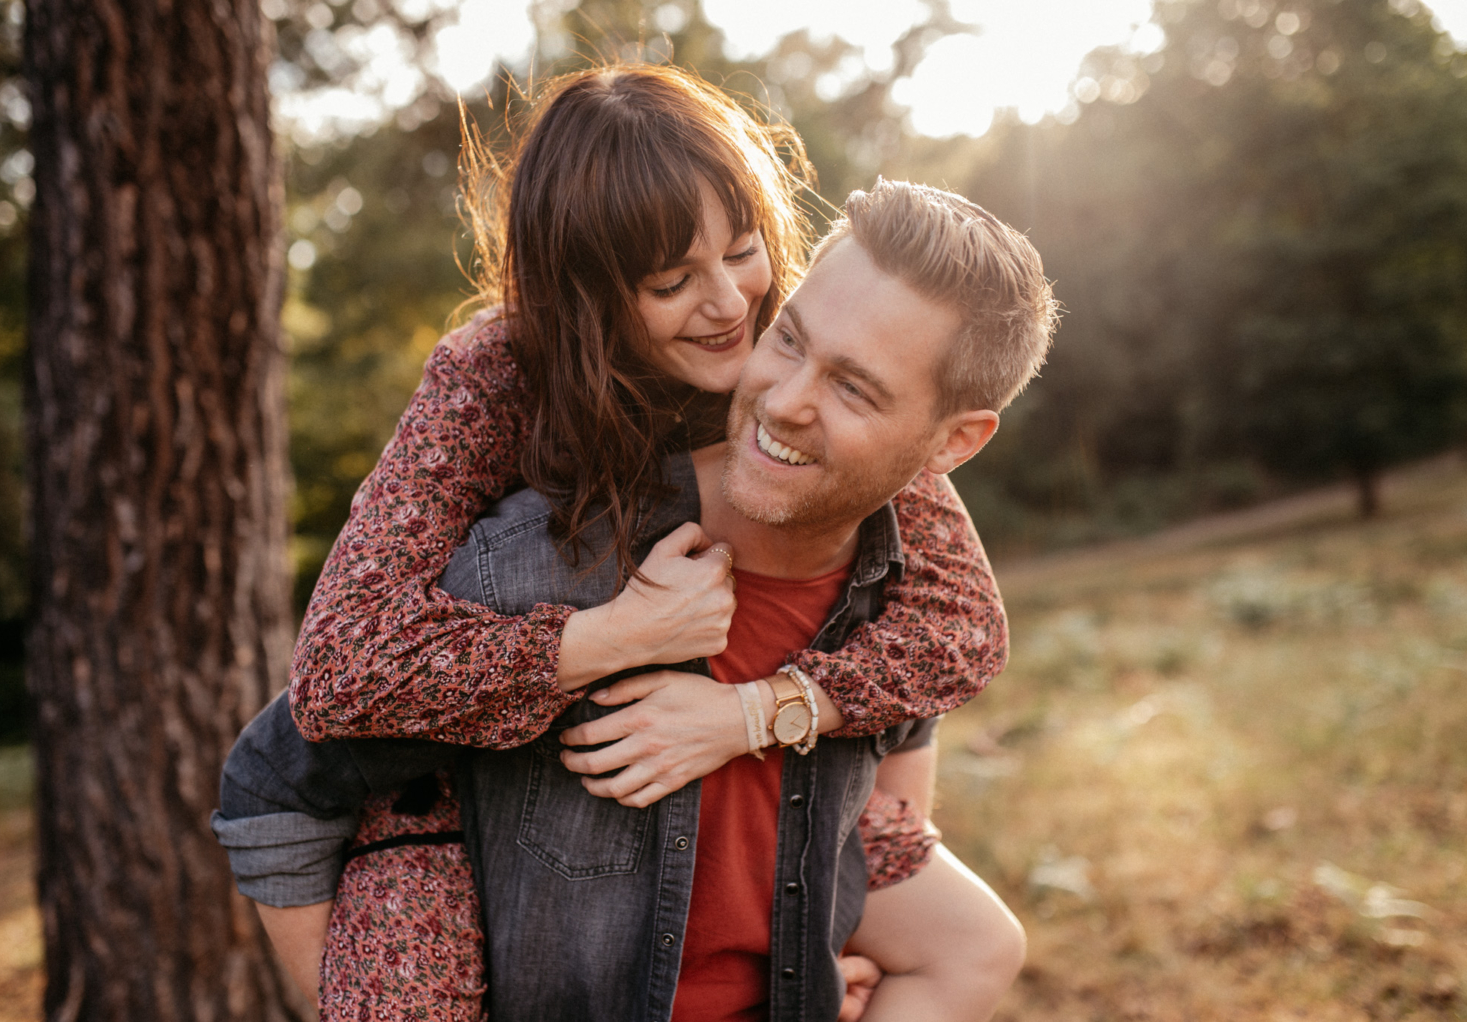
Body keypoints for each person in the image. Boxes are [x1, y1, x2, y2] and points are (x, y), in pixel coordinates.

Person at [213, 65, 1029, 1018]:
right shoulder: (497, 378)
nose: (729, 304)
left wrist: (755, 720)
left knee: (969, 940)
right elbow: (340, 670)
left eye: (743, 250)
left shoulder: (808, 355)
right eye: (672, 281)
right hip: (456, 796)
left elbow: (954, 623)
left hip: (771, 793)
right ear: (584, 298)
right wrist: (614, 638)